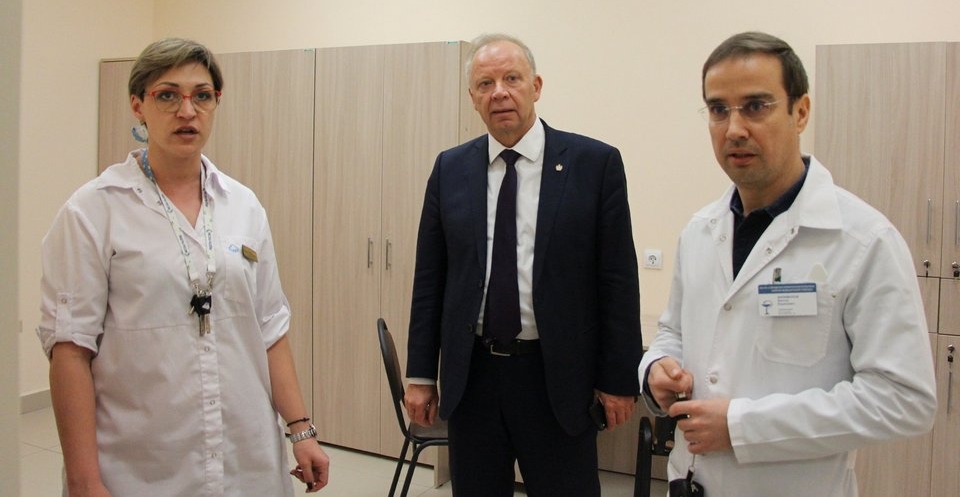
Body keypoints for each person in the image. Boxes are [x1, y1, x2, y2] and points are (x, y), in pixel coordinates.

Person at [638, 31, 937, 497]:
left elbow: (903, 399)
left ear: (800, 112)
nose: (734, 128)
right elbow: (673, 332)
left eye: (756, 106)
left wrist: (743, 426)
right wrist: (657, 368)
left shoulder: (863, 239)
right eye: (718, 109)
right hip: (692, 481)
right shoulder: (700, 232)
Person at [37, 38, 329, 496]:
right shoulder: (93, 211)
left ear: (216, 103)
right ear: (138, 105)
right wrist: (83, 480)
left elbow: (270, 328)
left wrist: (301, 430)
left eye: (202, 95)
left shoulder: (243, 206)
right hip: (143, 463)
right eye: (167, 95)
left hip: (246, 458)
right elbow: (70, 351)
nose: (187, 111)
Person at [403, 33, 643, 497]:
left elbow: (617, 279)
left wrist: (618, 378)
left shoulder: (594, 164)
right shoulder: (450, 169)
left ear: (536, 86)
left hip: (557, 379)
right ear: (472, 97)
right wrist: (420, 375)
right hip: (473, 377)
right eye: (485, 83)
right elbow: (430, 280)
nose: (499, 93)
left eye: (511, 79)